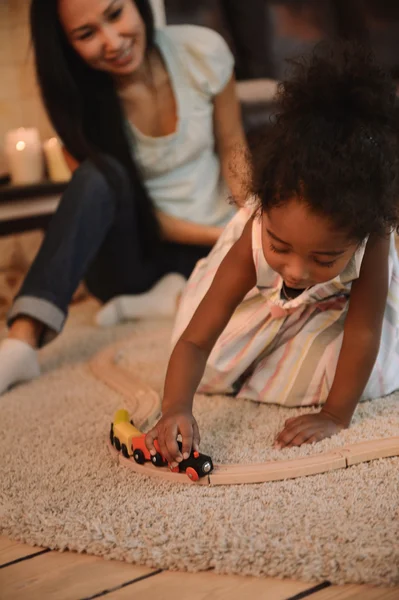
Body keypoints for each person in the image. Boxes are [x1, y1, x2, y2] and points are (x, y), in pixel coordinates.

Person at [145, 43, 399, 466]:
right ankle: (174, 292)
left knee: (371, 377)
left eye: (324, 257)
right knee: (208, 364)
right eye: (280, 247)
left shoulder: (373, 235)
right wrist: (175, 407)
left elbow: (363, 332)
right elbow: (195, 339)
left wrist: (335, 415)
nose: (296, 269)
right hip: (255, 307)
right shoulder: (256, 228)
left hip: (329, 307)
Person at [0, 0, 249, 396]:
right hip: (131, 258)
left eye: (115, 15)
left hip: (206, 245)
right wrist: (221, 235)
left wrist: (248, 220)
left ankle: (169, 294)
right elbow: (139, 211)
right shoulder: (79, 102)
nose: (112, 42)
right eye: (86, 34)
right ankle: (21, 340)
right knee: (98, 176)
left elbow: (234, 145)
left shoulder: (203, 51)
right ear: (67, 44)